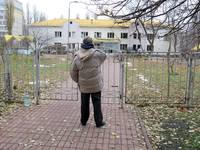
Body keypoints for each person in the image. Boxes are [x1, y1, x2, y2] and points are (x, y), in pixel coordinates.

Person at [70, 36, 107, 128]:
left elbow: (72, 72)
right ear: (92, 44)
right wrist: (94, 48)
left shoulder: (77, 56)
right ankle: (98, 122)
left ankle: (83, 121)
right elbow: (104, 56)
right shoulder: (97, 54)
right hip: (96, 85)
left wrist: (79, 81)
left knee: (84, 104)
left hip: (84, 86)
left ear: (83, 44)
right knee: (97, 103)